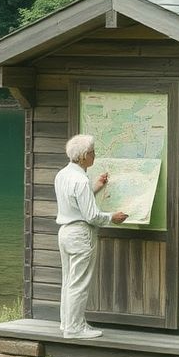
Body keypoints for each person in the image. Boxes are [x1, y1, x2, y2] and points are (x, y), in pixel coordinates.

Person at [55, 133, 127, 339]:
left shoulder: (63, 175)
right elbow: (91, 215)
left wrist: (96, 186)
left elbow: (75, 202)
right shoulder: (80, 179)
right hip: (80, 234)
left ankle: (67, 323)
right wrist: (112, 217)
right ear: (84, 156)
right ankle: (75, 328)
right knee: (80, 282)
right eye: (92, 152)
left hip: (65, 232)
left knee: (69, 280)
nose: (94, 155)